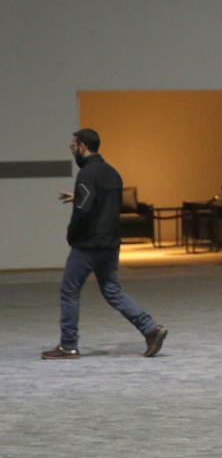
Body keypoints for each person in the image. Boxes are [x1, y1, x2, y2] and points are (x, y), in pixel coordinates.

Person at [42, 129, 167, 360]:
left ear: (82, 147)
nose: (72, 151)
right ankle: (150, 329)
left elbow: (84, 212)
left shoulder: (87, 174)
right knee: (112, 290)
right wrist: (79, 196)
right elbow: (102, 203)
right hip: (110, 243)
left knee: (70, 290)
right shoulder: (112, 173)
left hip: (88, 245)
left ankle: (68, 346)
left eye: (73, 147)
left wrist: (72, 235)